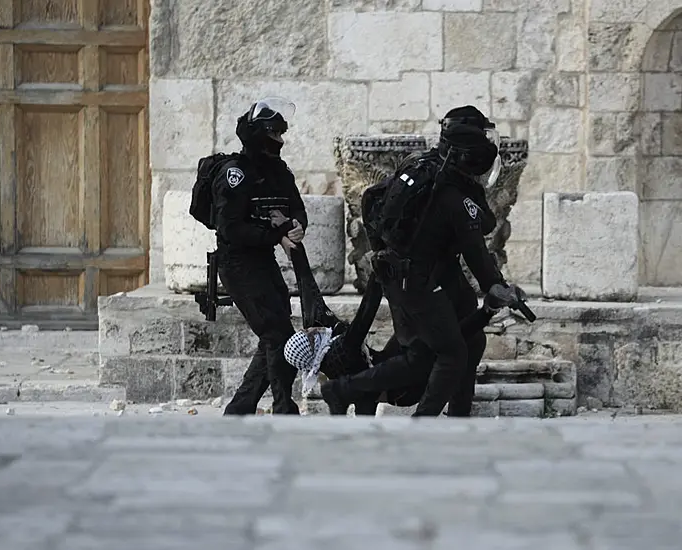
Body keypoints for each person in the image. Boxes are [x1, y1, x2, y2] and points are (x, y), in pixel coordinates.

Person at [320, 105, 527, 418]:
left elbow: (375, 198)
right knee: (450, 353)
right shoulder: (452, 195)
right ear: (466, 152)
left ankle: (457, 419)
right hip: (416, 281)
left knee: (468, 343)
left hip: (421, 273)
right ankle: (416, 421)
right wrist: (497, 287)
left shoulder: (424, 167)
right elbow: (477, 252)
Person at [283, 272, 519, 415]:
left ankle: (488, 309)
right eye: (310, 335)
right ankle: (488, 310)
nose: (313, 329)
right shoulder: (340, 353)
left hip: (385, 369)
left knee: (437, 337)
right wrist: (377, 278)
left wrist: (296, 248)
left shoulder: (328, 356)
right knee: (441, 345)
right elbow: (365, 315)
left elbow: (309, 294)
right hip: (403, 387)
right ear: (312, 350)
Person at [214, 97, 307, 415]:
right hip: (237, 263)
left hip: (263, 261)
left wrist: (296, 227)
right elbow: (231, 228)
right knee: (280, 336)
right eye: (274, 134)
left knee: (275, 335)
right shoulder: (235, 174)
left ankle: (240, 408)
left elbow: (296, 206)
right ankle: (283, 408)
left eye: (282, 134)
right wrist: (276, 234)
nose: (280, 141)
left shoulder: (279, 171)